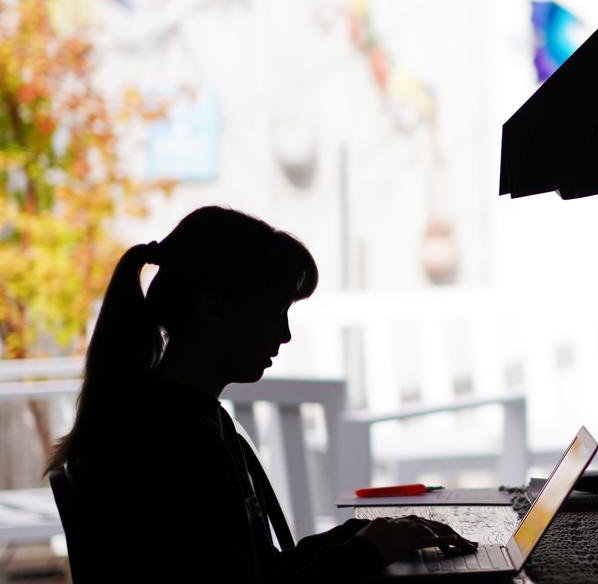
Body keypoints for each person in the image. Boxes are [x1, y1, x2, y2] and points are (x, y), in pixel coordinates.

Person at [47, 206, 477, 583]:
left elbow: (251, 568)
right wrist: (367, 551)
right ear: (213, 310)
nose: (285, 333)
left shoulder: (172, 418)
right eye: (275, 312)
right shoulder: (175, 442)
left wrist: (364, 535)